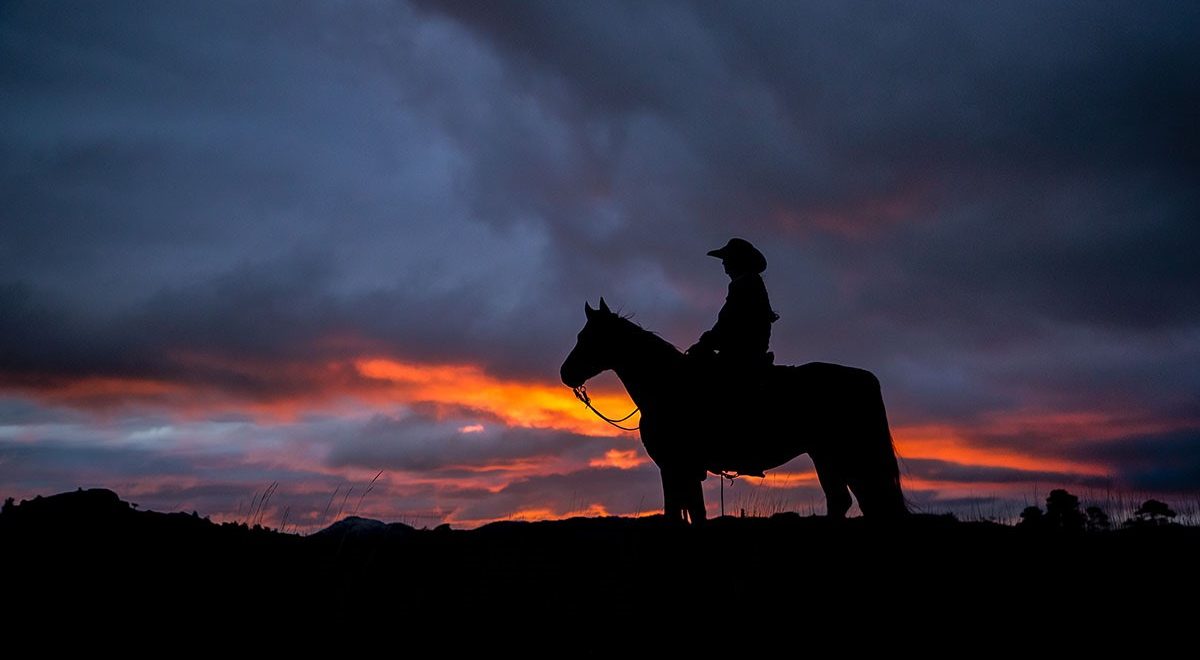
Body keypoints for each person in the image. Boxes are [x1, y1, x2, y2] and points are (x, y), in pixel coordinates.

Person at [687, 237, 779, 374]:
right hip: (749, 352)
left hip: (741, 354)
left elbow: (729, 321)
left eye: (726, 258)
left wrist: (705, 342)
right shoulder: (750, 283)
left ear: (737, 261)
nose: (723, 263)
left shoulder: (745, 283)